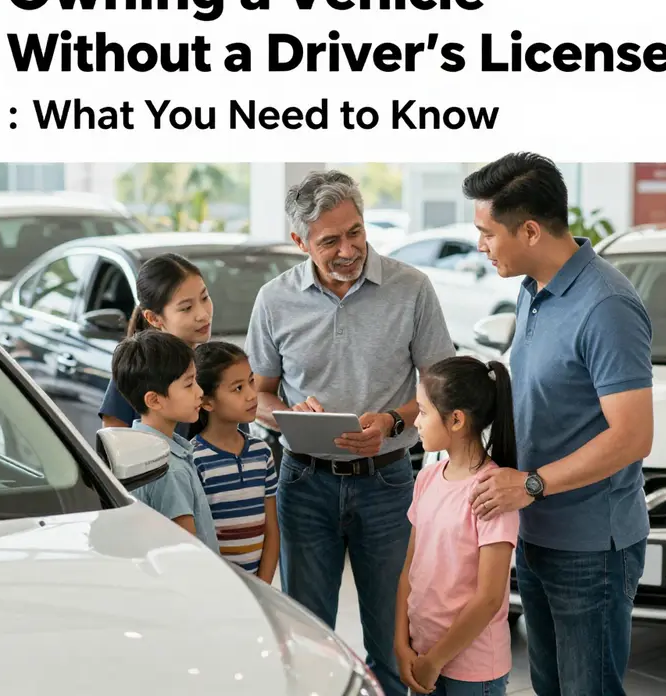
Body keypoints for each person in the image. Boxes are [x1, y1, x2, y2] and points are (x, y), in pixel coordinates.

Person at [245, 169, 455, 696]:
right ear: (300, 242)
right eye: (330, 240)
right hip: (304, 484)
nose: (348, 249)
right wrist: (291, 415)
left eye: (355, 232)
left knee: (390, 640)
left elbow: (441, 388)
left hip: (388, 484)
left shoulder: (412, 288)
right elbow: (259, 396)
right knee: (310, 637)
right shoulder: (274, 300)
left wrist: (393, 420)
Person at [462, 153, 654, 696]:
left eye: (487, 233)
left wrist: (531, 483)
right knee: (549, 686)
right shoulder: (533, 292)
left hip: (591, 547)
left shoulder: (606, 305)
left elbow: (632, 436)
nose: (481, 245)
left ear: (529, 229)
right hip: (536, 532)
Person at [395, 356, 519, 696]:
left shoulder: (493, 491)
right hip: (422, 655)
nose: (416, 422)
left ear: (456, 420)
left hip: (472, 670)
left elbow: (489, 598)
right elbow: (409, 569)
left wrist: (436, 660)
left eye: (422, 411)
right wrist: (402, 643)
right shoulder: (427, 477)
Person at [111, 329, 219, 552]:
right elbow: (186, 555)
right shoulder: (170, 470)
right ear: (154, 400)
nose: (199, 392)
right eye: (189, 384)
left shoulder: (135, 451)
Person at [191, 341, 279, 583]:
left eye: (251, 381)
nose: (252, 394)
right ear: (206, 402)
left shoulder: (262, 453)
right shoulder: (194, 459)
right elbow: (197, 538)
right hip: (216, 588)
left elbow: (272, 530)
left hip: (257, 587)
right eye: (238, 388)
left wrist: (263, 586)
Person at [99, 253, 213, 436]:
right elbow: (114, 445)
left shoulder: (217, 364)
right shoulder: (137, 368)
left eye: (205, 298)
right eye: (186, 308)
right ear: (153, 318)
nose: (203, 315)